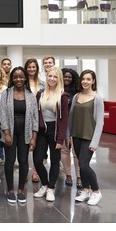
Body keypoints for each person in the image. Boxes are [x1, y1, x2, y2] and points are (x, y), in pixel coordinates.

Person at [0, 67, 38, 203]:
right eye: (15, 77)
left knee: (23, 161)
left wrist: (34, 136)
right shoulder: (6, 93)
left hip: (25, 132)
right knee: (9, 161)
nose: (18, 79)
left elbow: (35, 117)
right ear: (12, 79)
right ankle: (10, 190)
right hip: (9, 131)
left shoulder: (30, 95)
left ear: (25, 78)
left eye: (21, 77)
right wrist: (7, 133)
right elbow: (2, 114)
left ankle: (21, 189)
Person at [69, 70, 104, 206]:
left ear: (93, 81)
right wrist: (68, 135)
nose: (85, 81)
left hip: (89, 136)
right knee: (80, 164)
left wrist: (95, 142)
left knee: (84, 164)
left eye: (88, 79)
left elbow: (100, 122)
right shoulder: (76, 96)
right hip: (76, 135)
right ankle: (85, 190)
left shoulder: (97, 99)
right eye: (83, 79)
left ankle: (96, 191)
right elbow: (71, 117)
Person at [33, 67, 69, 202]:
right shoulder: (40, 94)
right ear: (46, 77)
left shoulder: (63, 96)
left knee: (54, 161)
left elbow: (64, 119)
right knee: (37, 160)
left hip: (55, 131)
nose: (52, 79)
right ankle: (45, 184)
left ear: (59, 79)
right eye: (50, 76)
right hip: (42, 130)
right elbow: (37, 114)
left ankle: (51, 188)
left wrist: (61, 139)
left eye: (55, 77)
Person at [24, 58, 45, 183]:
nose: (31, 69)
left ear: (37, 68)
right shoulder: (22, 82)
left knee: (38, 147)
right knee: (24, 147)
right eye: (29, 67)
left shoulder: (42, 84)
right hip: (25, 117)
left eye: (34, 67)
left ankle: (36, 172)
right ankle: (25, 172)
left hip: (39, 116)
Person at [61, 68, 82, 188]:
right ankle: (68, 174)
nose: (67, 79)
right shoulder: (58, 91)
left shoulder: (78, 92)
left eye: (69, 77)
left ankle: (79, 176)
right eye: (65, 76)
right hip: (63, 125)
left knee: (76, 152)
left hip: (76, 124)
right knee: (64, 151)